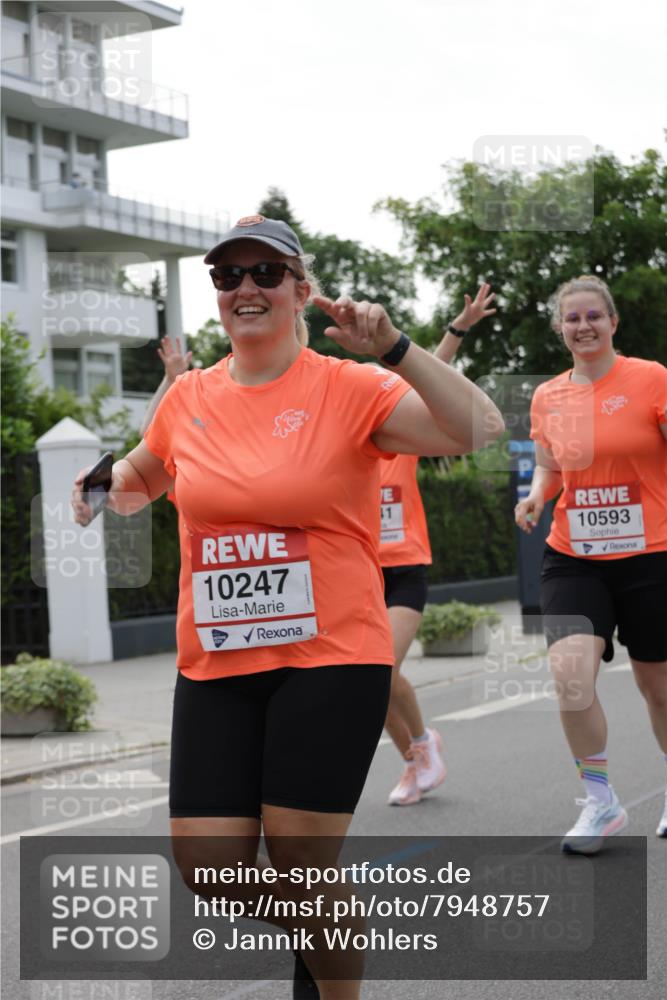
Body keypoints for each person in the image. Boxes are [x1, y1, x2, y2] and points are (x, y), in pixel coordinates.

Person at [72, 215, 504, 999]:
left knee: (304, 861)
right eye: (226, 276)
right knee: (210, 870)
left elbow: (478, 428)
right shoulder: (189, 397)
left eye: (264, 274)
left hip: (332, 656)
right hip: (216, 661)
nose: (244, 288)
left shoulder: (350, 386)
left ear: (302, 291)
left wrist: (397, 350)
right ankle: (332, 923)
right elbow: (141, 478)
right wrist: (98, 489)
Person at [515, 275, 667, 854]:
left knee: (658, 686)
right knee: (571, 676)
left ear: (612, 323)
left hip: (653, 553)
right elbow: (551, 467)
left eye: (592, 316)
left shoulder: (650, 379)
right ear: (560, 328)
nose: (583, 327)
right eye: (571, 318)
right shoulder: (548, 396)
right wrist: (535, 496)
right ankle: (600, 803)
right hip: (574, 556)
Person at [381, 285, 497, 806]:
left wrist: (458, 328)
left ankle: (422, 743)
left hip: (404, 569)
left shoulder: (399, 443)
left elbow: (427, 372)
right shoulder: (337, 450)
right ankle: (414, 758)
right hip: (354, 573)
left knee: (380, 667)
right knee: (366, 682)